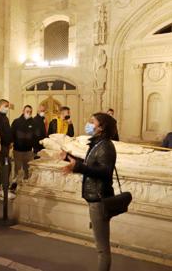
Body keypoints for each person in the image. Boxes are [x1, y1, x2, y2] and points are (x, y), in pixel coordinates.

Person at [62, 113, 117, 271]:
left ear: (101, 127)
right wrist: (69, 158)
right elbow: (89, 164)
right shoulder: (97, 144)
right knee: (100, 246)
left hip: (99, 199)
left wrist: (77, 167)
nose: (89, 123)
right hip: (94, 198)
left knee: (102, 249)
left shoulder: (105, 146)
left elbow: (104, 171)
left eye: (92, 121)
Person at [10, 105, 34, 191]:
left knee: (27, 169)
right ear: (23, 111)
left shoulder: (33, 122)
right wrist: (11, 143)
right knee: (17, 168)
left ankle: (26, 183)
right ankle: (14, 183)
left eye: (30, 112)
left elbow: (35, 136)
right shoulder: (16, 122)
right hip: (18, 150)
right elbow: (12, 133)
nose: (29, 113)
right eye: (27, 111)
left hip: (28, 150)